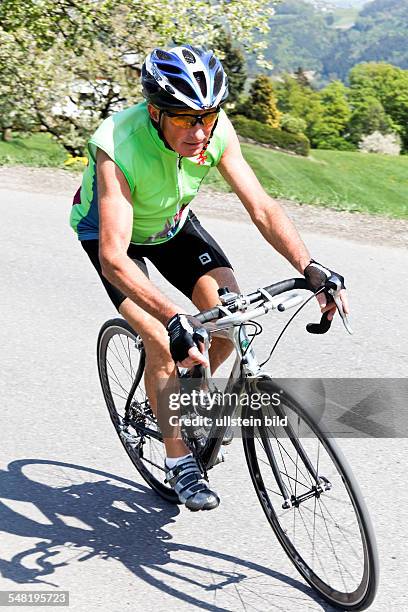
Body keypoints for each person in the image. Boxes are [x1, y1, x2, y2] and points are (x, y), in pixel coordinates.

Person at [70, 45, 349, 512]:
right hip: (114, 238)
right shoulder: (117, 143)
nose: (199, 131)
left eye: (207, 116)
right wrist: (174, 317)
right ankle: (178, 459)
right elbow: (113, 258)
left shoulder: (213, 130)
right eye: (184, 119)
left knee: (230, 313)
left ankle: (183, 391)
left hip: (173, 224)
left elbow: (261, 207)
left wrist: (310, 267)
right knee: (161, 335)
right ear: (155, 113)